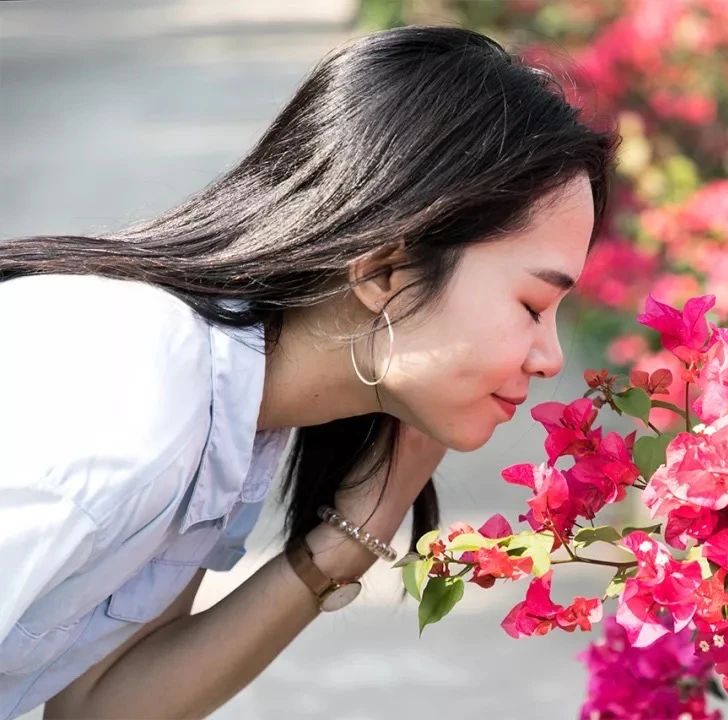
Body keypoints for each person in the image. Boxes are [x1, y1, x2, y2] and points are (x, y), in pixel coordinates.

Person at [0, 25, 616, 718]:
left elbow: (98, 706)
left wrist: (346, 542)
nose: (551, 357)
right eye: (533, 304)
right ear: (384, 270)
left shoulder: (230, 416)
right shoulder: (137, 389)